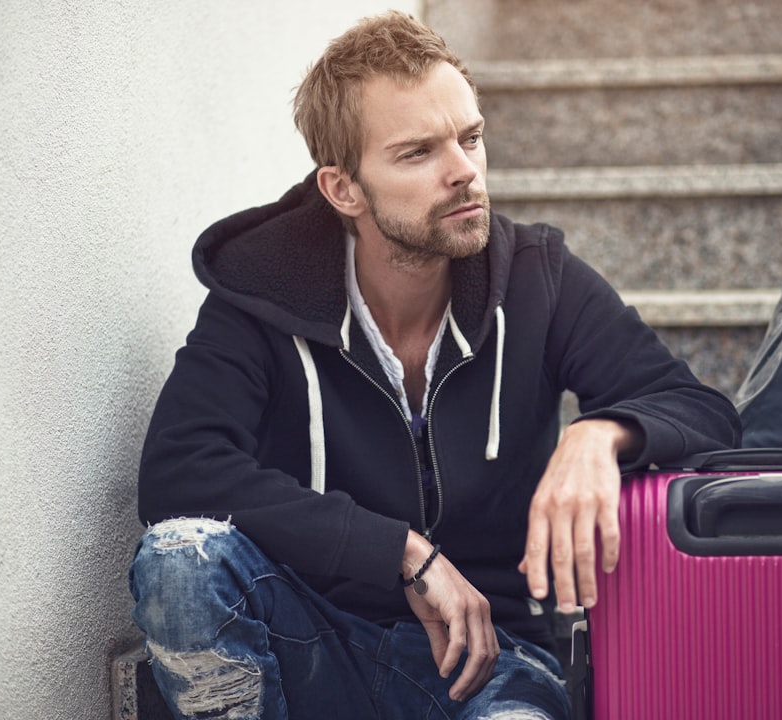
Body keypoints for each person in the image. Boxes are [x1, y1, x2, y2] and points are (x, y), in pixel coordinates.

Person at [129, 10, 740, 720]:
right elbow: (180, 470)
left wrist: (600, 434)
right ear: (344, 189)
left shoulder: (537, 278)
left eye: (471, 138)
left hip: (493, 668)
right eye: (418, 153)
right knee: (181, 560)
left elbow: (705, 413)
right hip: (316, 640)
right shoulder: (261, 295)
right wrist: (400, 552)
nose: (463, 172)